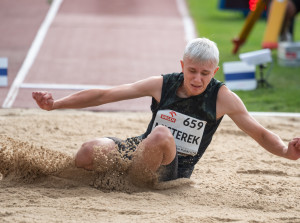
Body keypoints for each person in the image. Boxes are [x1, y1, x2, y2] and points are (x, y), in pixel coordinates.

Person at [32, 38, 300, 184]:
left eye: (204, 74)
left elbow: (259, 132)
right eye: (191, 71)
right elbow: (107, 94)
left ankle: (130, 183)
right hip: (140, 150)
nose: (196, 79)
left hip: (172, 170)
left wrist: (287, 152)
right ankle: (118, 176)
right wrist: (55, 104)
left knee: (161, 134)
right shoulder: (162, 84)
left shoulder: (223, 98)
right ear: (182, 65)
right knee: (89, 151)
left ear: (214, 71)